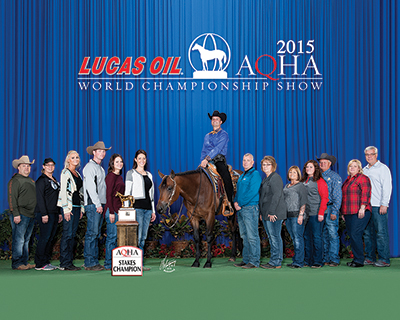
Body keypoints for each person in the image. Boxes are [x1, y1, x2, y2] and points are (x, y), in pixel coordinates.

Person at [125, 149, 156, 271]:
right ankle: (134, 263)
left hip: (148, 208)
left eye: (144, 158)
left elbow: (151, 195)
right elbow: (127, 193)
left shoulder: (149, 175)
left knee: (143, 237)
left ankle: (140, 263)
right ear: (135, 160)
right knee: (136, 237)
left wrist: (153, 211)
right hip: (136, 208)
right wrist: (127, 210)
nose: (142, 160)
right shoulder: (130, 173)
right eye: (139, 158)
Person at [83, 141, 111, 271]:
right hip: (94, 204)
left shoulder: (100, 168)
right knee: (92, 233)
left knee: (96, 233)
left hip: (99, 204)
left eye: (104, 151)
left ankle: (93, 261)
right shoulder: (90, 167)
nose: (102, 153)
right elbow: (90, 188)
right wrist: (97, 204)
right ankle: (89, 262)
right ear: (94, 152)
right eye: (99, 151)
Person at [363, 146, 392, 267]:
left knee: (381, 232)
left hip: (378, 205)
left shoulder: (383, 168)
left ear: (376, 155)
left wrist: (384, 204)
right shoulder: (364, 170)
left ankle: (384, 259)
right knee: (367, 233)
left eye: (371, 154)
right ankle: (370, 257)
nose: (369, 156)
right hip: (366, 206)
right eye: (367, 154)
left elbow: (387, 187)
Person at [200, 110, 234, 214]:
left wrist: (207, 158)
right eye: (213, 119)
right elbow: (204, 150)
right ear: (211, 121)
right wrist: (202, 161)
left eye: (217, 119)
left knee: (226, 177)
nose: (214, 121)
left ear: (221, 122)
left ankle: (229, 203)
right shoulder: (207, 136)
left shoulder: (224, 134)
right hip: (207, 160)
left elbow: (218, 148)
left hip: (218, 160)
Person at [7, 155, 37, 270]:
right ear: (18, 167)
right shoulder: (15, 180)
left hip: (30, 214)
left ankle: (24, 262)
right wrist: (15, 213)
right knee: (19, 239)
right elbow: (12, 197)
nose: (27, 168)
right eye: (24, 166)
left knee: (26, 240)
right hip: (21, 214)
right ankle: (17, 263)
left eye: (28, 166)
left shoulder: (30, 180)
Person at [233, 153, 262, 269]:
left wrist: (240, 203)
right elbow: (238, 192)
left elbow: (253, 192)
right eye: (244, 160)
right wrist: (235, 202)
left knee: (252, 236)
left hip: (250, 208)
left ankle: (254, 261)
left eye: (248, 160)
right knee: (244, 236)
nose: (245, 162)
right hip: (241, 210)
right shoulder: (242, 176)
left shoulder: (255, 175)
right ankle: (246, 259)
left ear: (252, 162)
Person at [341, 159, 372, 267]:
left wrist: (362, 207)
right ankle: (356, 259)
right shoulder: (347, 180)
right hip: (348, 212)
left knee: (355, 234)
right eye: (350, 166)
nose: (352, 168)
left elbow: (366, 193)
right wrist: (343, 213)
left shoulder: (363, 178)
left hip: (359, 211)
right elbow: (344, 197)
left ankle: (359, 260)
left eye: (355, 166)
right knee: (352, 235)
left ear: (359, 168)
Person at [58, 150, 85, 271]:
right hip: (69, 207)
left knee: (72, 235)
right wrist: (66, 209)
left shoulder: (77, 174)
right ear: (68, 159)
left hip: (77, 207)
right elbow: (63, 191)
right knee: (67, 234)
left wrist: (82, 208)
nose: (75, 159)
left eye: (77, 157)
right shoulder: (65, 173)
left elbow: (81, 192)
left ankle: (69, 261)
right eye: (73, 157)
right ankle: (64, 262)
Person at [259, 156, 287, 269]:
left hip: (274, 213)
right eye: (264, 164)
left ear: (273, 166)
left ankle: (276, 261)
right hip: (266, 213)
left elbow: (277, 196)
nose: (265, 166)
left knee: (275, 237)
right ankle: (274, 260)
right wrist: (262, 213)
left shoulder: (275, 178)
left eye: (268, 164)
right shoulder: (266, 179)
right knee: (271, 237)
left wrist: (271, 212)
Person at [34, 158, 62, 271]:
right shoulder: (41, 180)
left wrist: (59, 212)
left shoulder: (54, 179)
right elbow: (39, 198)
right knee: (44, 238)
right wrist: (44, 214)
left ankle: (46, 261)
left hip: (54, 212)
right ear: (43, 166)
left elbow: (57, 198)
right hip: (45, 213)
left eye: (52, 165)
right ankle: (39, 263)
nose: (50, 167)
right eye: (48, 165)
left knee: (50, 238)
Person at [301, 160, 329, 268]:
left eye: (311, 167)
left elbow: (325, 198)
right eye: (307, 167)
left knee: (317, 237)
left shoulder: (320, 181)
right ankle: (308, 260)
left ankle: (318, 261)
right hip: (306, 214)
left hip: (316, 213)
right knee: (307, 237)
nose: (308, 169)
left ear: (315, 169)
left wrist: (321, 213)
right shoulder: (304, 181)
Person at [317, 153, 342, 267]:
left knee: (332, 234)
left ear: (329, 164)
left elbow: (337, 196)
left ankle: (334, 259)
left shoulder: (335, 177)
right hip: (320, 208)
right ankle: (325, 258)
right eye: (320, 162)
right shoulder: (317, 176)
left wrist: (335, 211)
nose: (322, 164)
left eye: (324, 162)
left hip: (330, 206)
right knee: (323, 234)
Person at [283, 166, 308, 268]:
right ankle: (296, 259)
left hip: (297, 215)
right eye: (290, 172)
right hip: (288, 216)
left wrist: (301, 215)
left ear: (298, 174)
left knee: (298, 238)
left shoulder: (301, 186)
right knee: (294, 238)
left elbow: (303, 201)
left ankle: (299, 262)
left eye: (294, 172)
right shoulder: (286, 186)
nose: (292, 174)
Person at [104, 154, 125, 270]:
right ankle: (108, 263)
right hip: (111, 210)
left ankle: (115, 262)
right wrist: (111, 212)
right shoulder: (110, 177)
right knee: (111, 237)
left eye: (121, 162)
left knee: (117, 238)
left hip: (119, 210)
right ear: (112, 163)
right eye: (117, 162)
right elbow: (108, 196)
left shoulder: (120, 177)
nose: (119, 164)